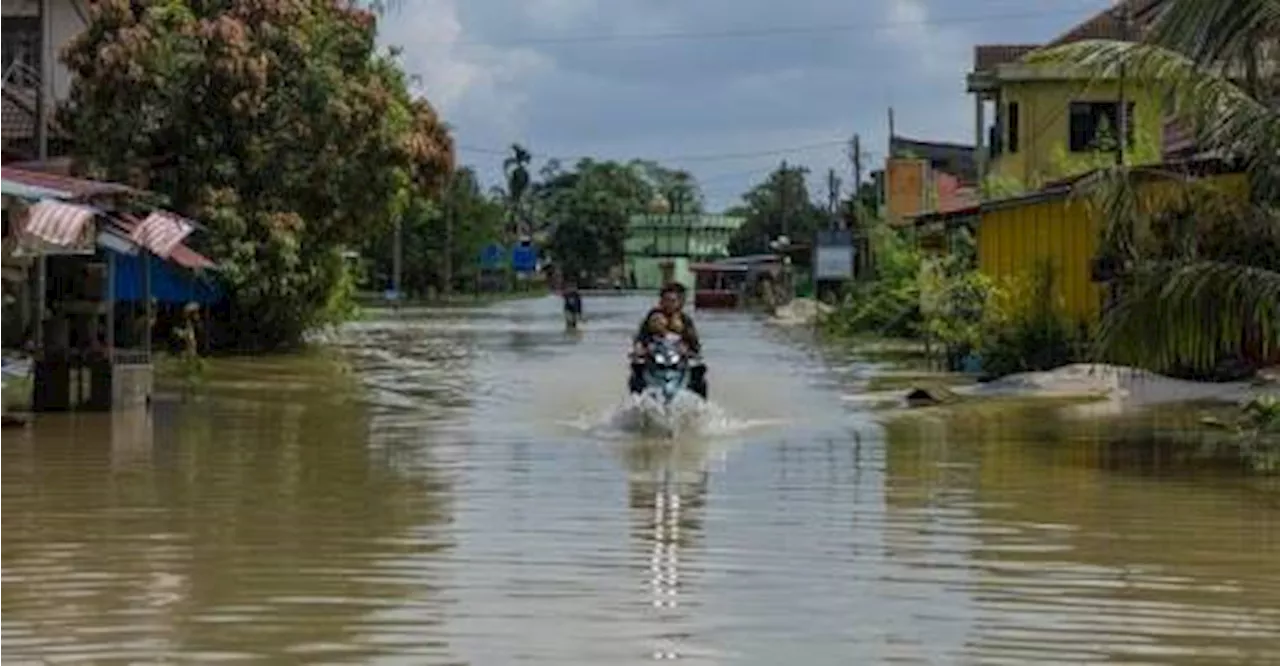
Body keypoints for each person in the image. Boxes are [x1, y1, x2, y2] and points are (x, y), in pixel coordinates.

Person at [629, 282, 707, 398]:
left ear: (680, 302)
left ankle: (700, 406)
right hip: (655, 358)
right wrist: (639, 349)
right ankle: (636, 401)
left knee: (700, 373)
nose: (669, 304)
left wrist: (689, 350)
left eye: (673, 300)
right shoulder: (652, 317)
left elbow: (694, 343)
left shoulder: (685, 320)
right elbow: (641, 338)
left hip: (677, 360)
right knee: (636, 371)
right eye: (666, 300)